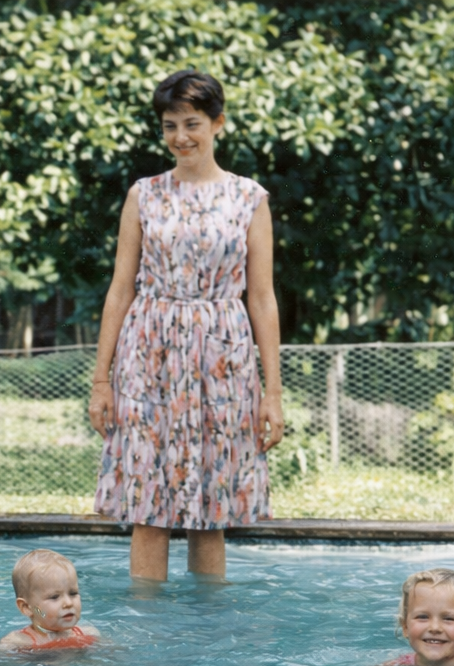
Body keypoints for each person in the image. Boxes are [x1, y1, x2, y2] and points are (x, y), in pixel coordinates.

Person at [88, 69, 285, 581]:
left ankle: (208, 637)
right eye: (170, 124)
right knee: (148, 508)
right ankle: (149, 636)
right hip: (149, 352)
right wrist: (101, 380)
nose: (181, 137)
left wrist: (272, 392)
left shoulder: (249, 199)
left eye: (192, 123)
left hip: (223, 354)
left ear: (218, 124)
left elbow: (261, 298)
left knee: (212, 509)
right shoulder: (144, 195)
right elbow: (120, 289)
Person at [0, 549, 101, 651]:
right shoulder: (19, 642)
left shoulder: (89, 634)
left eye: (73, 593)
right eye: (54, 597)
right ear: (27, 607)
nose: (68, 603)